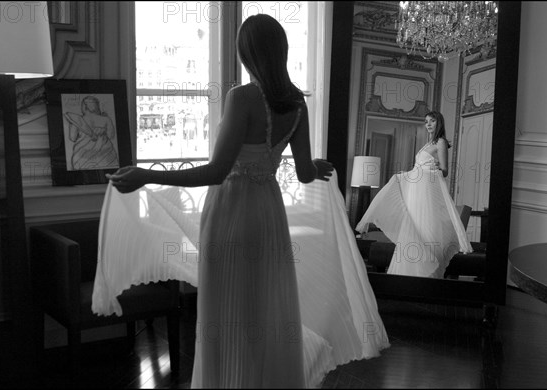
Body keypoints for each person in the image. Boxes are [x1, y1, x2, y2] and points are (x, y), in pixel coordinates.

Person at [94, 14, 389, 388]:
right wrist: (315, 165)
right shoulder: (297, 103)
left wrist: (146, 175)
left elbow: (215, 172)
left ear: (247, 52)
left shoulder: (242, 97)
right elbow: (302, 173)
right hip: (268, 214)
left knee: (227, 310)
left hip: (231, 214)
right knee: (263, 309)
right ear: (279, 51)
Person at [356, 111, 473, 279]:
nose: (428, 124)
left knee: (425, 225)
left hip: (427, 189)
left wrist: (430, 170)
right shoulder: (427, 144)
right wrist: (409, 173)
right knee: (413, 224)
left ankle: (427, 271)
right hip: (416, 189)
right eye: (426, 122)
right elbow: (418, 167)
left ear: (439, 122)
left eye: (432, 121)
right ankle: (407, 273)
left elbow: (445, 171)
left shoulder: (440, 142)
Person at [64, 95, 119, 170]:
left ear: (84, 107)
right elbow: (111, 136)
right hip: (106, 156)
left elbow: (72, 138)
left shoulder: (77, 120)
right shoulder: (106, 119)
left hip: (82, 156)